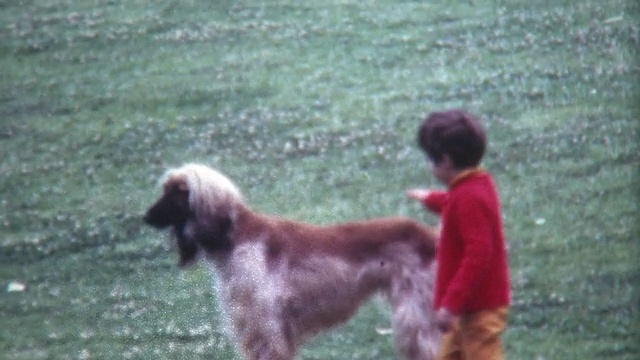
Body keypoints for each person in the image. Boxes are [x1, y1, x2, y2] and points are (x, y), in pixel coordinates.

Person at [406, 109, 511, 360]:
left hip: (477, 308)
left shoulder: (468, 197)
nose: (432, 169)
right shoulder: (477, 184)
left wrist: (451, 304)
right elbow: (456, 205)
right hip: (467, 309)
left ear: (446, 160)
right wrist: (431, 199)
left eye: (433, 161)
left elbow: (478, 253)